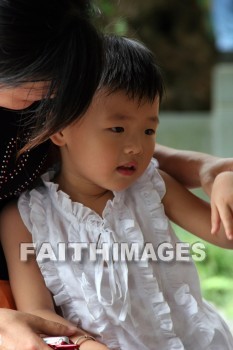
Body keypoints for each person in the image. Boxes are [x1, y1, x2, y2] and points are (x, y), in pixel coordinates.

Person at [1, 1, 233, 349]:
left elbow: (225, 233)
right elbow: (37, 312)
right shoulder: (24, 217)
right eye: (117, 129)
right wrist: (83, 344)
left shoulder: (152, 184)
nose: (136, 148)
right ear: (59, 129)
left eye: (149, 132)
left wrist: (220, 177)